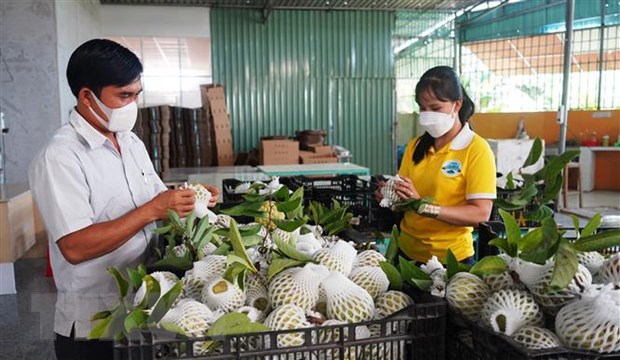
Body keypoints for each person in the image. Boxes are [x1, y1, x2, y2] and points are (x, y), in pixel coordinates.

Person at [28, 39, 219, 360]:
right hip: (95, 324)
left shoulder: (130, 142)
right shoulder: (60, 157)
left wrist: (188, 196)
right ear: (87, 96)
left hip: (143, 306)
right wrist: (152, 210)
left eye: (137, 95)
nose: (133, 104)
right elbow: (75, 247)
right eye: (124, 95)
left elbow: (157, 199)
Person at [379, 66, 496, 265]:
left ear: (456, 105)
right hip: (406, 253)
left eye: (435, 108)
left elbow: (480, 213)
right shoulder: (415, 146)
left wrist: (424, 207)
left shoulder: (476, 149)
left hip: (451, 260)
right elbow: (407, 198)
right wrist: (391, 196)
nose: (427, 115)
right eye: (422, 108)